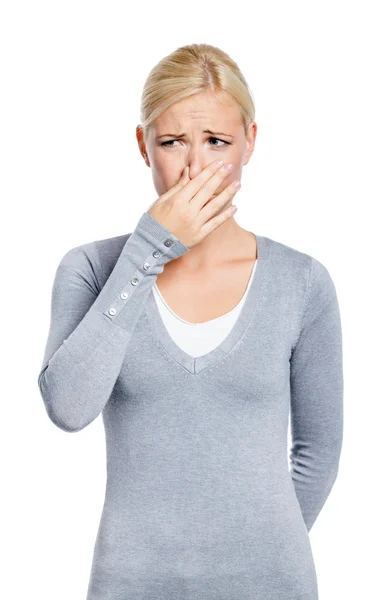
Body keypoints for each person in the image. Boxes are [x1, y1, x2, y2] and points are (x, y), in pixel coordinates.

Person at [37, 43, 343, 600]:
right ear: (142, 145)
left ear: (251, 142)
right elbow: (68, 407)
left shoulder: (302, 283)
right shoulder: (90, 269)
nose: (196, 167)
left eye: (218, 142)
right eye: (173, 142)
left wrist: (258, 556)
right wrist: (147, 250)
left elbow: (319, 451)